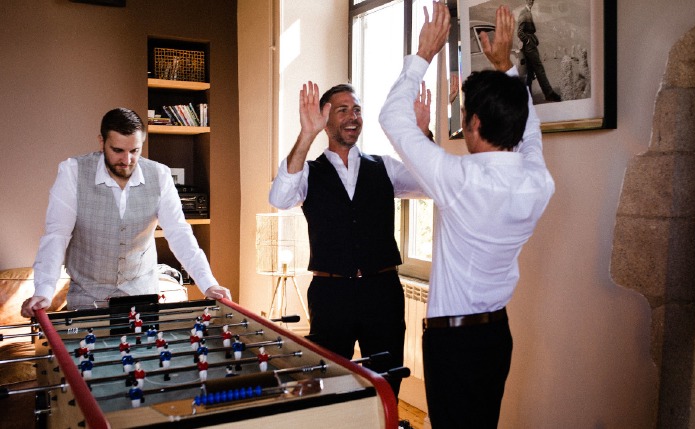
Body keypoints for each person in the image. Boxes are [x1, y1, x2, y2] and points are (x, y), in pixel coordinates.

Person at [379, 3, 555, 428]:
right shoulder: (538, 181)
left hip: (453, 343)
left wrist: (423, 53)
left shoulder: (458, 178)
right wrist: (506, 67)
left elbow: (389, 117)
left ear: (474, 123)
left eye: (463, 116)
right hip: (497, 336)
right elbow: (529, 131)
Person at [268, 79, 432, 398]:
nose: (352, 116)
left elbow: (432, 183)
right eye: (342, 110)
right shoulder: (308, 172)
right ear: (325, 119)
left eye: (356, 109)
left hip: (382, 293)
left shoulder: (384, 167)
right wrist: (306, 134)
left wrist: (421, 136)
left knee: (386, 385)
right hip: (331, 295)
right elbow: (280, 197)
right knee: (329, 385)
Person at [20, 107, 231, 318]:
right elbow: (56, 236)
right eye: (118, 150)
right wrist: (44, 291)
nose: (127, 160)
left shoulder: (160, 175)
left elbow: (179, 234)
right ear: (102, 142)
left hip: (142, 296)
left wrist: (208, 284)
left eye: (135, 151)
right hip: (88, 298)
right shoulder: (72, 172)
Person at [518, 0, 561, 102]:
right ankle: (549, 93)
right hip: (529, 47)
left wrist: (532, 39)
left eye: (532, 0)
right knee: (539, 68)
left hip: (530, 45)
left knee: (529, 72)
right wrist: (528, 40)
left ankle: (528, 97)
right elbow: (519, 32)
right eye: (529, 0)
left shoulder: (528, 12)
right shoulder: (524, 13)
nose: (530, 2)